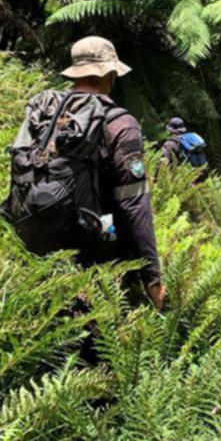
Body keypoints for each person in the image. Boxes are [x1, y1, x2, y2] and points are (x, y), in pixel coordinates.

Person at [60, 37, 166, 310]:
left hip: (45, 234)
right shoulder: (120, 123)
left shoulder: (47, 114)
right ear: (110, 72)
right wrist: (152, 276)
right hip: (101, 242)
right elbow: (134, 203)